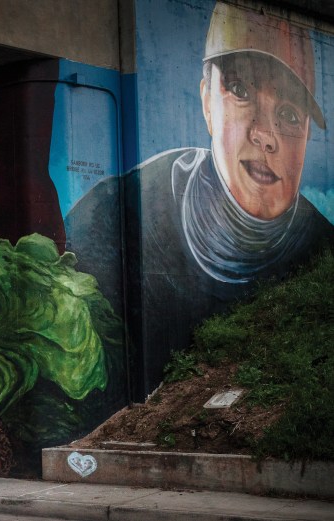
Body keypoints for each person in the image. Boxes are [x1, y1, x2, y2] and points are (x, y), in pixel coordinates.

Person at [65, 2, 334, 399]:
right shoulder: (111, 216)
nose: (265, 134)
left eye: (290, 115)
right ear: (207, 99)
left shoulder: (322, 252)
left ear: (309, 136)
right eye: (241, 91)